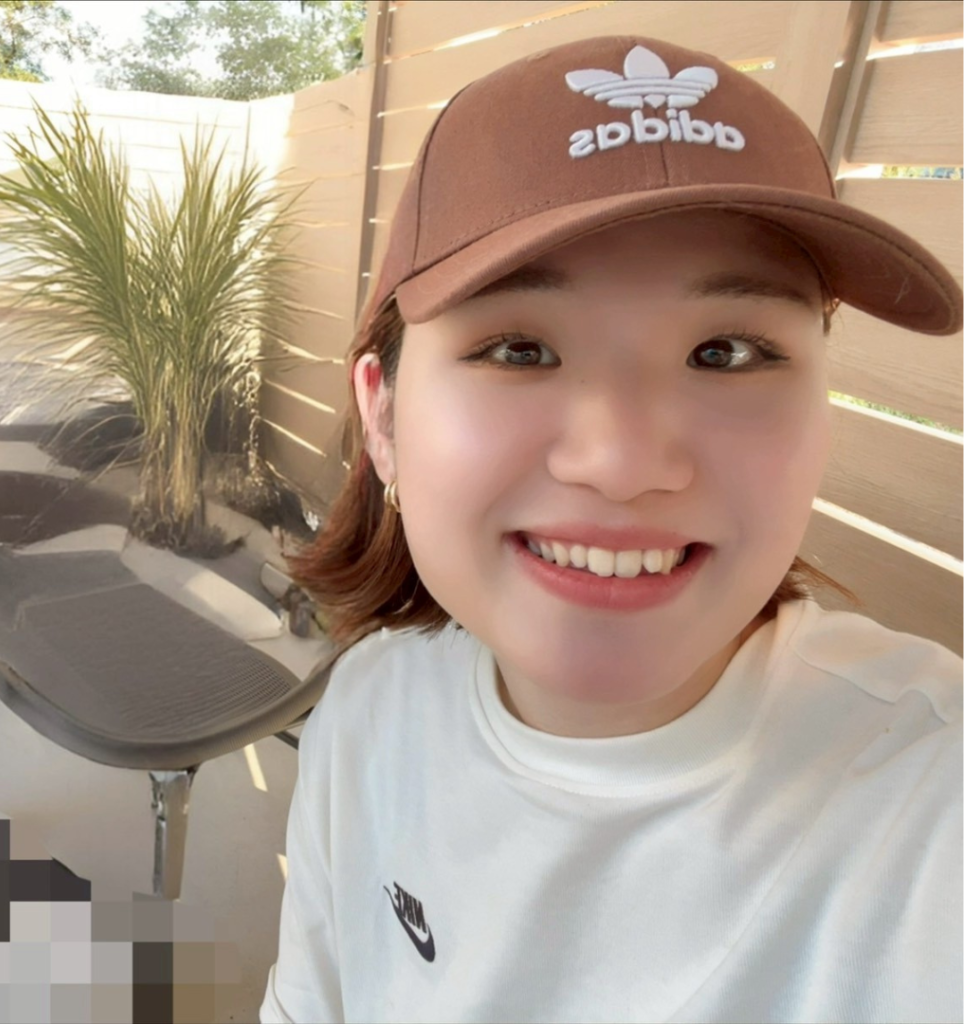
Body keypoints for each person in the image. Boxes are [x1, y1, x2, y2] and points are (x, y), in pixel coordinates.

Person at [261, 35, 962, 1024]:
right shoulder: (369, 711)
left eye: (726, 352)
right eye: (519, 348)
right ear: (382, 416)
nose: (626, 462)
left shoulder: (931, 806)